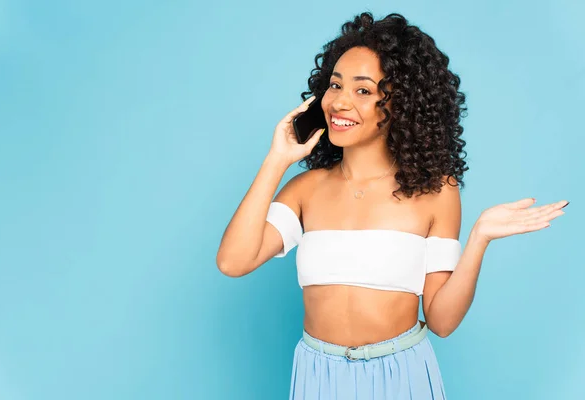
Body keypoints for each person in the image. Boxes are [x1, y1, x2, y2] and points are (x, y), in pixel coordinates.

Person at [216, 12, 568, 400]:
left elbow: (442, 320)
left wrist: (480, 238)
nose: (340, 102)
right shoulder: (306, 190)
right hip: (318, 375)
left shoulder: (436, 192)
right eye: (335, 85)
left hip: (401, 375)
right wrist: (276, 160)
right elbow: (234, 262)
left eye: (363, 91)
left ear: (400, 105)